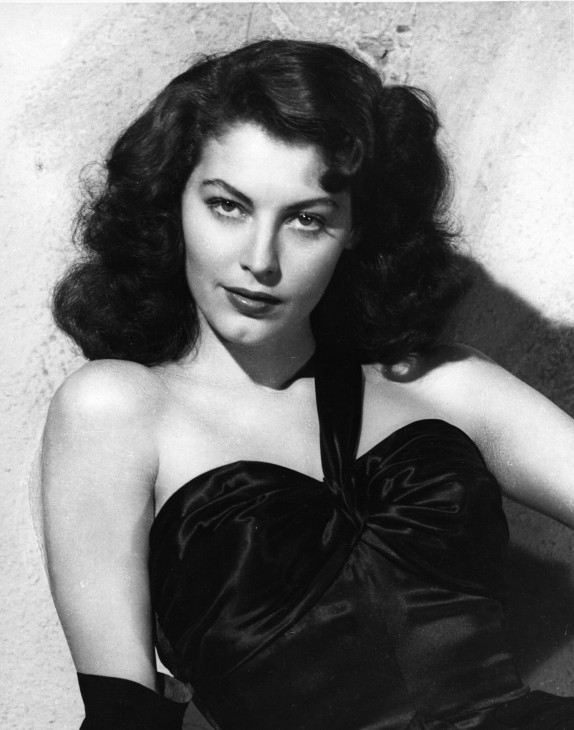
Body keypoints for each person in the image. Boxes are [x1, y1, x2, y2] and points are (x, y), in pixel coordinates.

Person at [40, 39, 574, 730]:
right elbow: (124, 717)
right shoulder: (115, 409)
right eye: (228, 206)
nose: (260, 260)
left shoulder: (446, 385)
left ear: (356, 229)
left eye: (307, 219)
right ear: (173, 203)